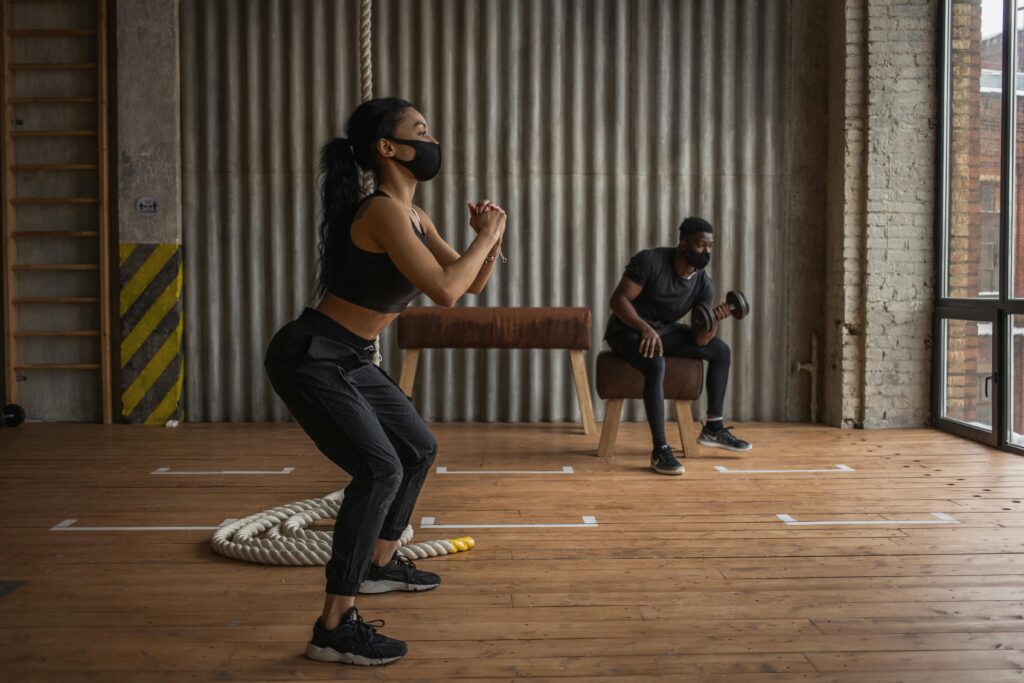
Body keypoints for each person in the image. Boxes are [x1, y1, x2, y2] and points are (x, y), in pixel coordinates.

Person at [264, 97, 507, 666]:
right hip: (312, 356)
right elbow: (445, 291)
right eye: (421, 130)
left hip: (351, 358)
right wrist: (487, 236)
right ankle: (333, 626)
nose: (432, 140)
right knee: (379, 470)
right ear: (388, 147)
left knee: (418, 448)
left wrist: (490, 237)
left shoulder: (415, 216)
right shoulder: (381, 212)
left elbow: (470, 282)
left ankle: (380, 563)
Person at [605, 216, 751, 476]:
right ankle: (660, 449)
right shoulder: (651, 261)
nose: (706, 252)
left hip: (662, 331)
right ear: (683, 243)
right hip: (627, 330)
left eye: (710, 247)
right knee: (655, 362)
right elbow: (618, 301)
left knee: (721, 351)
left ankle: (713, 427)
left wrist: (713, 320)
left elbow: (698, 340)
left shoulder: (704, 284)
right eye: (700, 245)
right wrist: (644, 328)